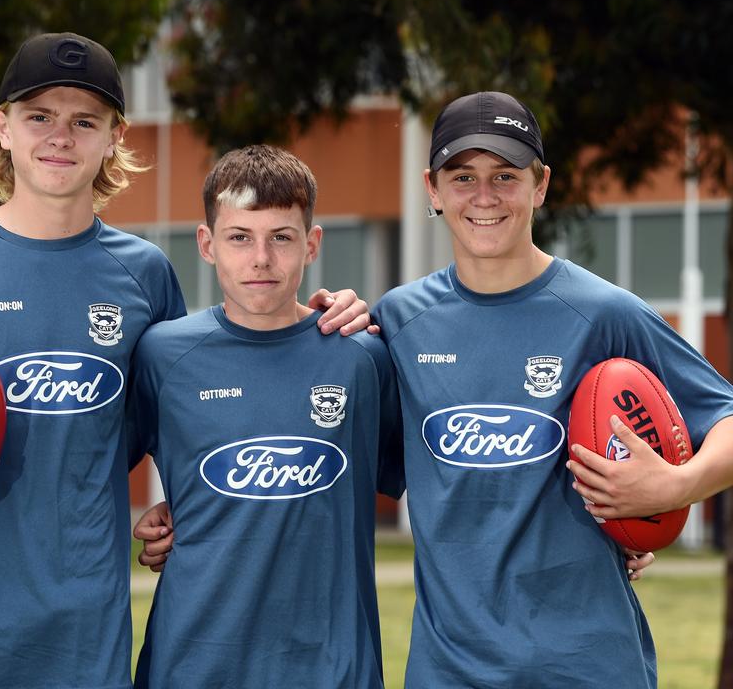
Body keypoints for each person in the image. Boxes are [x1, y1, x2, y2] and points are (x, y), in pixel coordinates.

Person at [0, 32, 371, 688]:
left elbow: (194, 421)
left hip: (85, 631)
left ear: (114, 136)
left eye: (84, 121)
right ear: (3, 128)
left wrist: (327, 317)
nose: (60, 137)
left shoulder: (145, 277)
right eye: (39, 116)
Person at [137, 91, 733, 688]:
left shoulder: (604, 313)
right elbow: (316, 443)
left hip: (587, 661)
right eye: (463, 176)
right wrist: (190, 510)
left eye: (505, 175)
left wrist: (673, 486)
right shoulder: (394, 324)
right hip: (449, 669)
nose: (484, 196)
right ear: (432, 188)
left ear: (541, 184)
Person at [126, 144, 403, 689]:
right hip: (192, 663)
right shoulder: (162, 355)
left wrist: (618, 526)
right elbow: (86, 467)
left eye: (281, 237)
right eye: (239, 237)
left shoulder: (362, 357)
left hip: (331, 667)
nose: (261, 259)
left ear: (312, 244)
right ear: (207, 244)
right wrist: (168, 510)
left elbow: (450, 483)